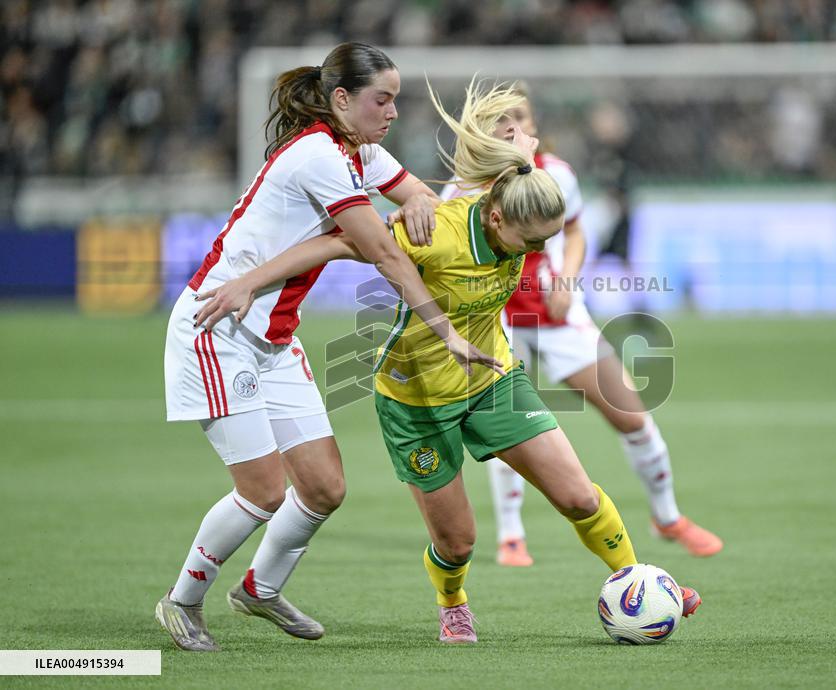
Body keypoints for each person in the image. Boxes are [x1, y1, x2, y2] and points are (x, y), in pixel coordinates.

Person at [194, 79, 703, 644]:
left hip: (492, 378)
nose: (534, 255)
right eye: (529, 244)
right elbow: (340, 243)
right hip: (416, 402)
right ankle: (452, 600)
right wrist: (248, 281)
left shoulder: (521, 200)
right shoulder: (434, 232)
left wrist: (517, 141)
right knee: (458, 542)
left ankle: (636, 578)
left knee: (579, 495)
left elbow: (523, 179)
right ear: (494, 220)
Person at [156, 42, 502, 653]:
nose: (392, 112)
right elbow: (383, 253)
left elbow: (421, 193)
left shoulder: (359, 151)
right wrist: (445, 330)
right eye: (382, 99)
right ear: (341, 99)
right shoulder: (318, 156)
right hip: (219, 328)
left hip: (274, 339)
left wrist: (420, 200)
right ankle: (182, 601)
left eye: (395, 99)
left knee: (323, 489)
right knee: (263, 491)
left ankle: (260, 589)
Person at [441, 84, 723, 566]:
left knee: (631, 414)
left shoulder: (557, 178)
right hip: (496, 322)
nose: (514, 129)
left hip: (555, 315)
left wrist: (568, 279)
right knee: (511, 427)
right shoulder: (465, 190)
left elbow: (574, 231)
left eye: (522, 119)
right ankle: (512, 534)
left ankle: (667, 516)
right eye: (502, 123)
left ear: (535, 128)